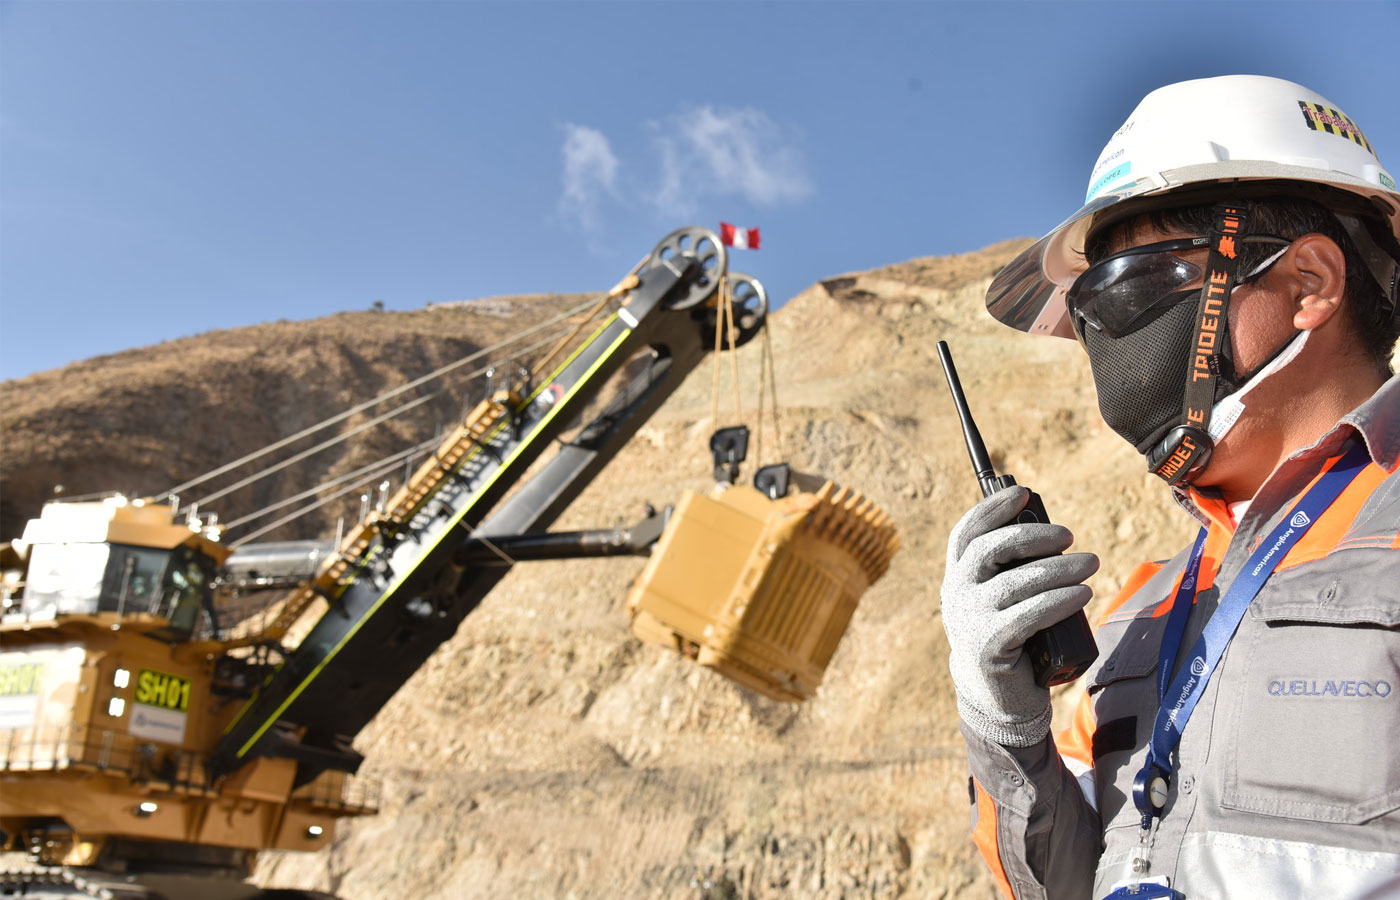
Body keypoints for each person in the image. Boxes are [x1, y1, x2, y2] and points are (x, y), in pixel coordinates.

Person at [939, 74, 1400, 900]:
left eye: (1132, 294)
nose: (1110, 349)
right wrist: (1005, 728)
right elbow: (1063, 887)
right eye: (1088, 317)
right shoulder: (1140, 614)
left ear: (1308, 284)